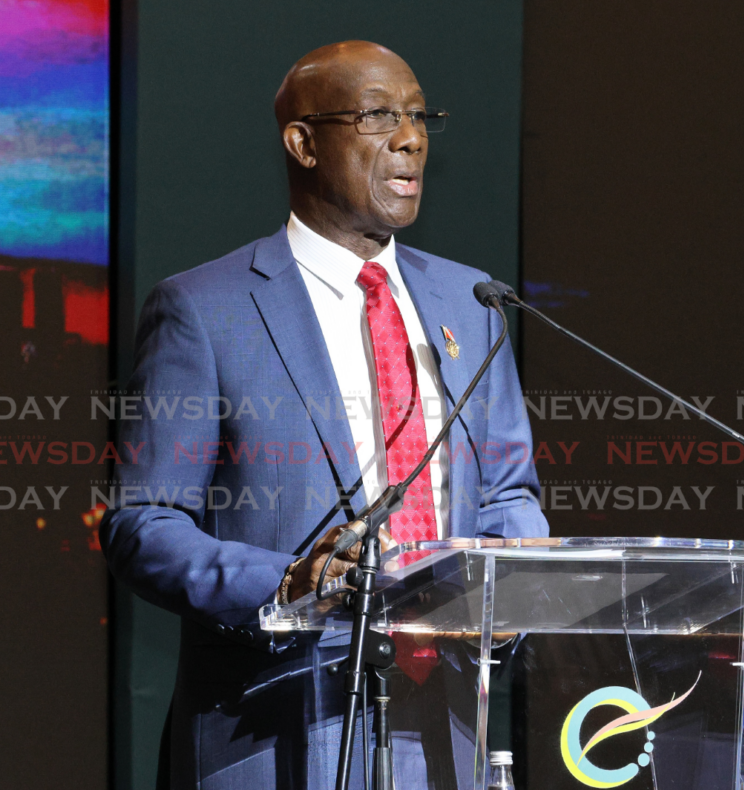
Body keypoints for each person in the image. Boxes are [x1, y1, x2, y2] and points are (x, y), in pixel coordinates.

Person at [100, 40, 548, 789]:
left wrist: (519, 587)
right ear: (303, 143)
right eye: (378, 116)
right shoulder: (205, 311)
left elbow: (507, 495)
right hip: (272, 735)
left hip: (443, 732)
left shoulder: (473, 306)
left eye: (418, 116)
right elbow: (143, 522)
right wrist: (287, 583)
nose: (410, 138)